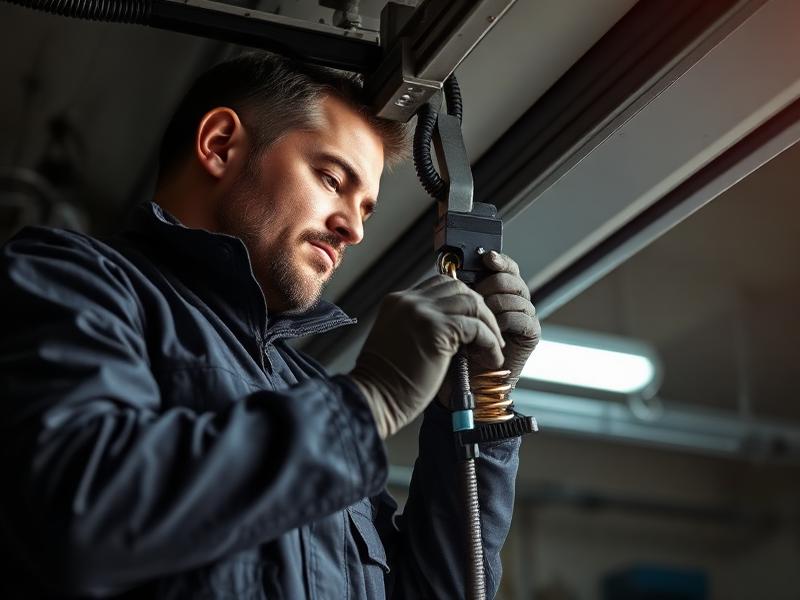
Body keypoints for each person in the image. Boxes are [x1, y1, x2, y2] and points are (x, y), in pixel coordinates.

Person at [0, 52, 540, 599]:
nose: (352, 228)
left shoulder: (308, 389)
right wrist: (368, 402)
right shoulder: (72, 281)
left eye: (365, 208)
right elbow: (82, 517)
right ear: (219, 145)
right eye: (332, 179)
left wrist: (481, 399)